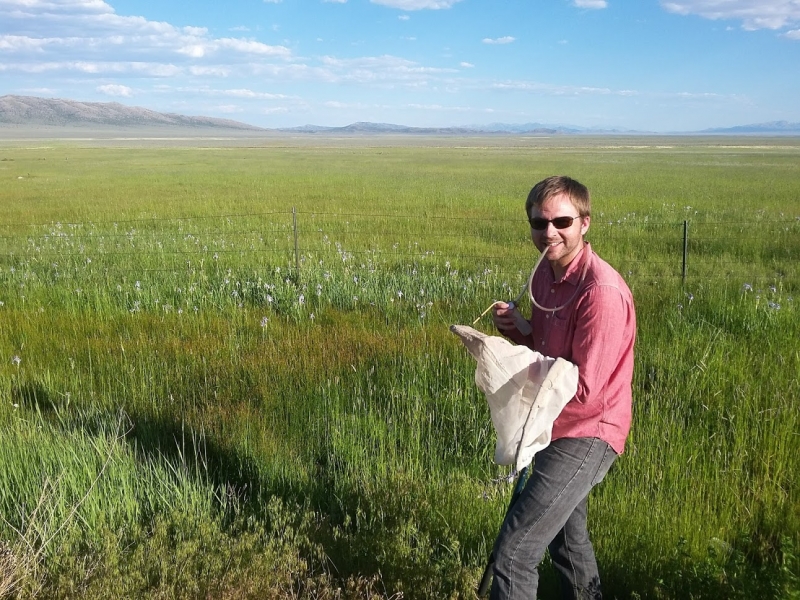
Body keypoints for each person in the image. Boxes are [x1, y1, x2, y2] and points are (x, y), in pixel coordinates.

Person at [490, 175, 636, 600]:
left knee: (515, 553)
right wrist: (520, 331)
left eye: (562, 221)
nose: (548, 232)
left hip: (588, 430)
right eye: (539, 223)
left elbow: (586, 389)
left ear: (585, 223)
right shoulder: (544, 277)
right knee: (567, 543)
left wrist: (528, 426)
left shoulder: (601, 292)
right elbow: (549, 349)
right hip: (556, 422)